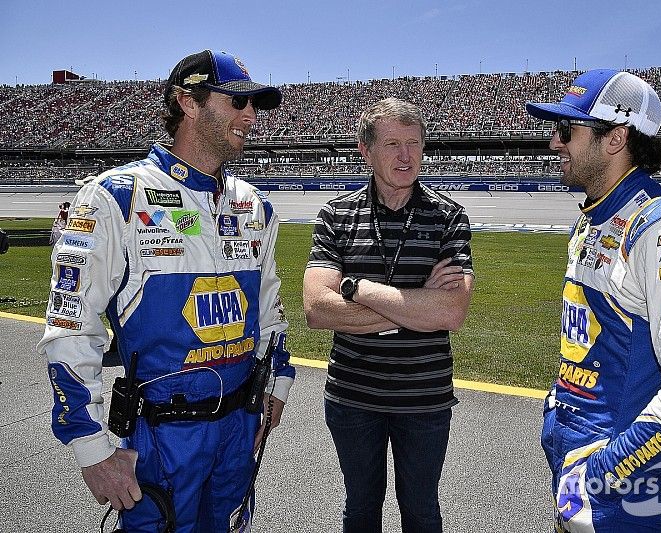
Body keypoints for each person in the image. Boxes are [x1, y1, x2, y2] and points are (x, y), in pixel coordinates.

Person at [38, 49, 295, 531]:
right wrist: (92, 448)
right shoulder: (115, 196)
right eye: (237, 102)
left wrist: (277, 385)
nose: (251, 116)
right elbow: (71, 330)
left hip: (239, 429)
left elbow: (269, 310)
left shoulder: (253, 205)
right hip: (159, 437)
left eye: (254, 104)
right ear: (189, 102)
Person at [525, 69, 661, 532]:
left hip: (616, 488)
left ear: (616, 137)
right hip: (578, 460)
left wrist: (598, 474)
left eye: (566, 131)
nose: (554, 144)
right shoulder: (594, 216)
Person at [303, 97, 474, 533]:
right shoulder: (335, 215)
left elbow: (452, 312)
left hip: (425, 398)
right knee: (360, 509)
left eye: (414, 144)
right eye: (393, 144)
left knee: (421, 511)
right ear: (365, 149)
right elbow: (316, 310)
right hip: (352, 396)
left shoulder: (449, 217)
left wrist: (357, 290)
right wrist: (416, 308)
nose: (406, 156)